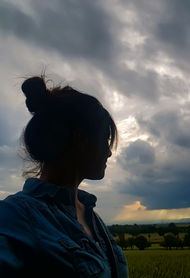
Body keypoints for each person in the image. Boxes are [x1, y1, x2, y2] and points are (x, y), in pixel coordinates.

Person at [0, 74, 129, 278]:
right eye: (105, 139)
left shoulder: (91, 215)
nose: (109, 152)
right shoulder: (12, 217)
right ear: (81, 140)